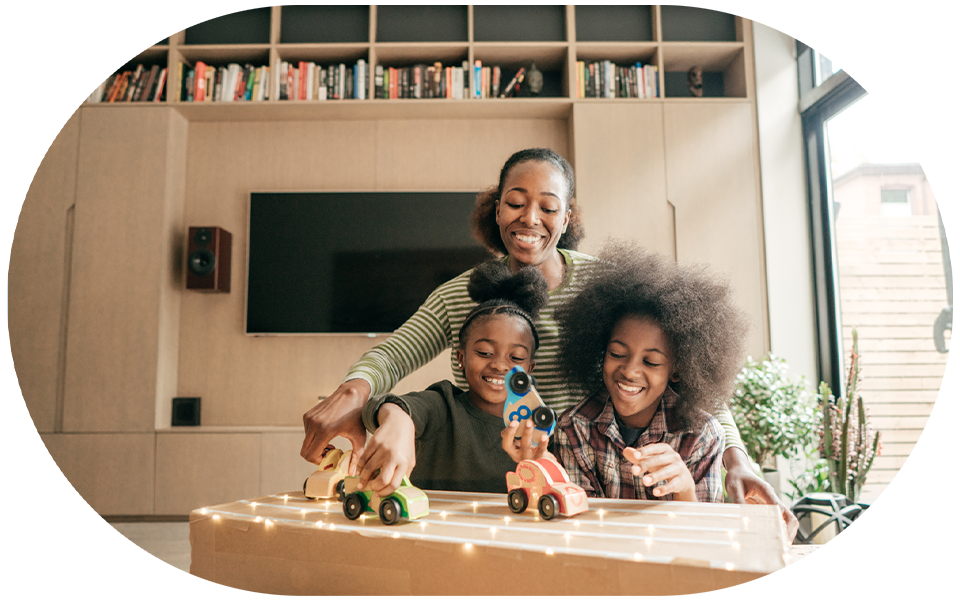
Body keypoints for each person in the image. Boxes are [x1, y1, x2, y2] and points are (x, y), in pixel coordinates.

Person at [300, 148, 799, 536]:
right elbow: (394, 353)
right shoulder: (462, 294)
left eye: (548, 207)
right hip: (500, 476)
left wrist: (737, 456)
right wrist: (352, 394)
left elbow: (688, 371)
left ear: (566, 218)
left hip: (585, 476)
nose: (529, 218)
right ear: (496, 211)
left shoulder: (603, 287)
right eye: (515, 203)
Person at [548, 240, 748, 502]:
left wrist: (685, 489)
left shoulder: (702, 436)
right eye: (617, 354)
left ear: (677, 369)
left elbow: (701, 537)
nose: (630, 371)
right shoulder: (573, 428)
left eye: (651, 362)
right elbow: (583, 526)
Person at [355, 260, 550, 495]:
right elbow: (375, 407)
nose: (499, 365)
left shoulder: (537, 423)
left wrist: (540, 462)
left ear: (530, 369)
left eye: (516, 357)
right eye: (485, 353)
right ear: (461, 357)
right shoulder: (442, 404)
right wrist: (398, 420)